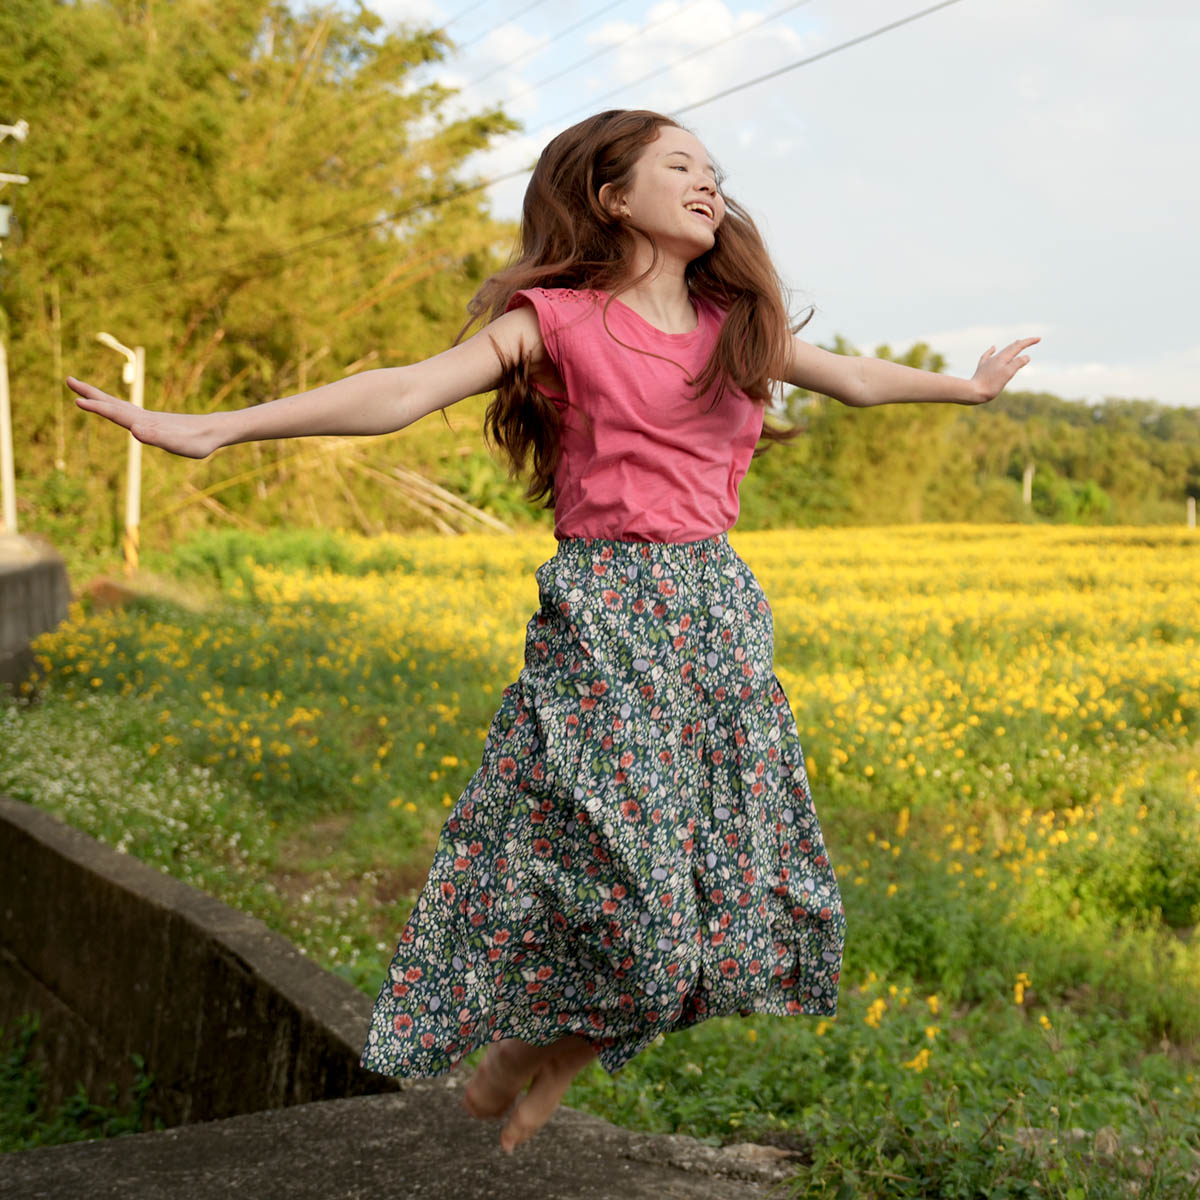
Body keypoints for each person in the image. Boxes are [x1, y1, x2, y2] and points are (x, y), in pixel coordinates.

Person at [68, 108, 1038, 1156]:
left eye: (715, 169)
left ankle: (563, 1047)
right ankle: (537, 1043)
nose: (708, 182)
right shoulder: (556, 321)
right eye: (680, 166)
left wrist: (969, 387)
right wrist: (221, 426)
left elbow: (855, 378)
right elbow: (401, 391)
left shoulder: (735, 327)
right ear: (613, 197)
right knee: (631, 884)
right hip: (605, 621)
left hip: (718, 620)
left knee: (732, 893)